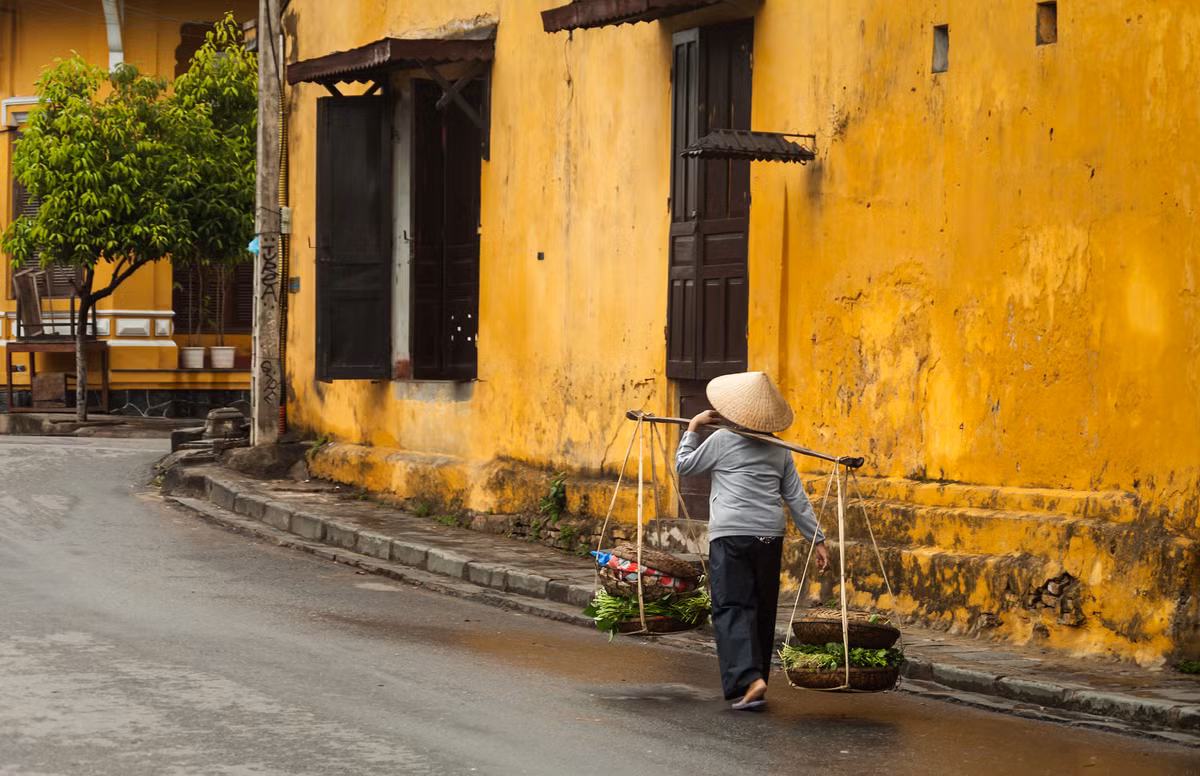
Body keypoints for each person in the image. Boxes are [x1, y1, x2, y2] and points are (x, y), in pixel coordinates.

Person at [676, 371, 831, 711]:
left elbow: (684, 466)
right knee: (760, 608)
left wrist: (692, 428)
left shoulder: (721, 441)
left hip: (732, 535)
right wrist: (817, 540)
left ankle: (749, 679)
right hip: (768, 537)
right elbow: (796, 498)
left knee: (732, 606)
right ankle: (756, 678)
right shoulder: (779, 450)